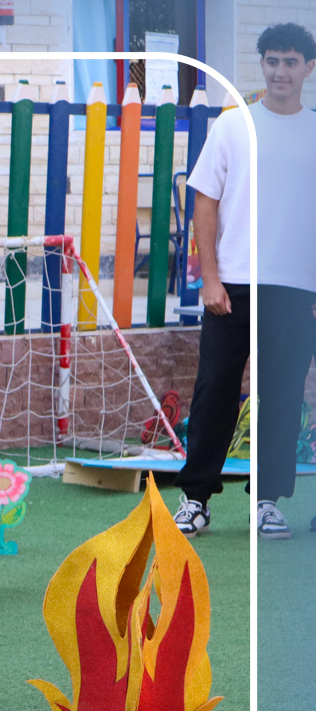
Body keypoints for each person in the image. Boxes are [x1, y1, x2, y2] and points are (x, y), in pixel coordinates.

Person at [173, 22, 316, 539]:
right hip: (232, 285)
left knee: (281, 396)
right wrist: (210, 279)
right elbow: (205, 202)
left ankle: (267, 501)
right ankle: (195, 500)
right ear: (263, 65)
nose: (281, 71)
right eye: (272, 61)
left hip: (297, 290)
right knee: (214, 390)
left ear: (309, 68)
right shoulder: (234, 125)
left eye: (291, 62)